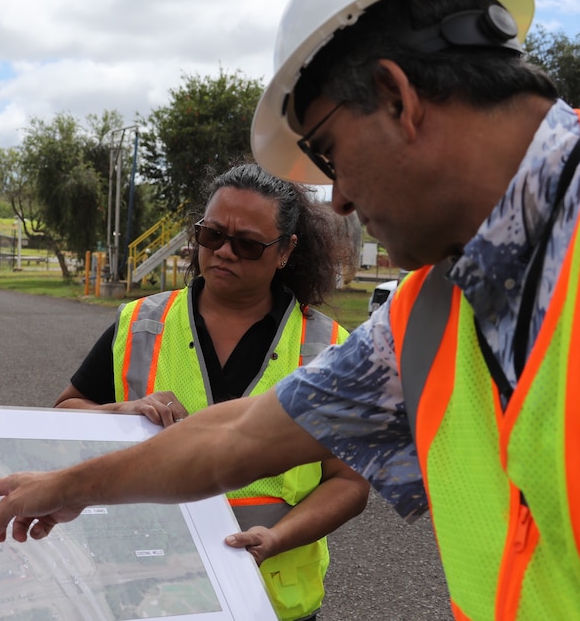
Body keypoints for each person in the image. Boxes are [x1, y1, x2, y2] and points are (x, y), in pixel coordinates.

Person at [0, 0, 580, 619]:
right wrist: (69, 486)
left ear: (397, 96)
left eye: (330, 154)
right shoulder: (428, 315)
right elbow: (240, 435)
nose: (336, 201)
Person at [54, 163, 368, 620]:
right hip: (146, 594)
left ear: (285, 251)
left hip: (273, 599)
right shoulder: (142, 325)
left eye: (247, 244)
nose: (224, 252)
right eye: (211, 235)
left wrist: (278, 539)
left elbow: (349, 482)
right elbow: (63, 413)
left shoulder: (330, 348)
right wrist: (120, 410)